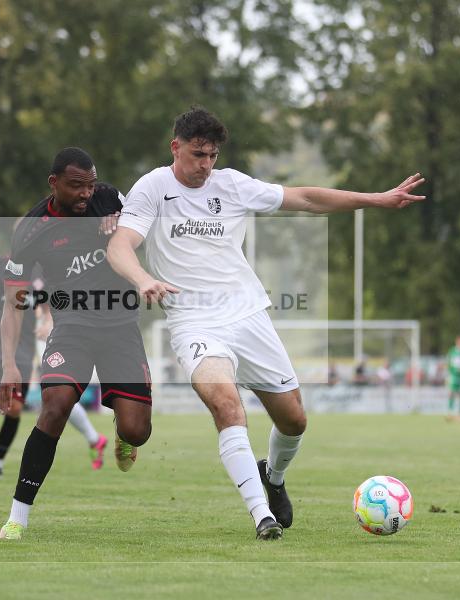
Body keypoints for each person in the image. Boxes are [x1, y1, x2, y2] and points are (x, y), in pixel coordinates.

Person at [107, 106, 425, 540]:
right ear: (175, 147)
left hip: (247, 314)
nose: (205, 164)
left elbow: (306, 199)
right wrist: (143, 278)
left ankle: (273, 478)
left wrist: (375, 199)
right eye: (198, 154)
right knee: (227, 407)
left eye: (212, 156)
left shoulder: (232, 185)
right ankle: (263, 516)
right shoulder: (152, 189)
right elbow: (121, 246)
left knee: (294, 420)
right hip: (194, 322)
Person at [0, 148, 154, 541]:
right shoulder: (31, 229)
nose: (86, 193)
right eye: (76, 185)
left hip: (121, 326)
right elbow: (13, 304)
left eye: (90, 183)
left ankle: (121, 432)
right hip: (72, 328)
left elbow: (137, 240)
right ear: (54, 183)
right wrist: (10, 365)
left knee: (137, 431)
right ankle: (17, 517)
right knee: (55, 407)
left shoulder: (109, 198)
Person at [0, 258, 107, 477]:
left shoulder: (44, 271)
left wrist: (47, 321)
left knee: (35, 401)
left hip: (28, 348)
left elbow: (52, 304)